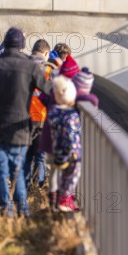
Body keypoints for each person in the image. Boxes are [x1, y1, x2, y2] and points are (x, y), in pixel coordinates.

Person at [0, 28, 52, 218]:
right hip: (20, 129)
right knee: (17, 171)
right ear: (22, 46)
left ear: (4, 44)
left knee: (0, 170)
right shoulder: (30, 67)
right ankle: (23, 210)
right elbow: (48, 90)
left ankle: (6, 210)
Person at [47, 76, 82, 212]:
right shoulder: (71, 117)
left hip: (57, 150)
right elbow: (70, 136)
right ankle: (65, 201)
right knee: (72, 175)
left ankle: (63, 200)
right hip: (71, 152)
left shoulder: (54, 112)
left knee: (62, 177)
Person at [23, 39, 53, 190]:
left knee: (26, 156)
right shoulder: (48, 68)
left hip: (22, 117)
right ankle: (38, 186)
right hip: (40, 118)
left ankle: (25, 186)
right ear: (46, 53)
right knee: (40, 155)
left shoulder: (22, 64)